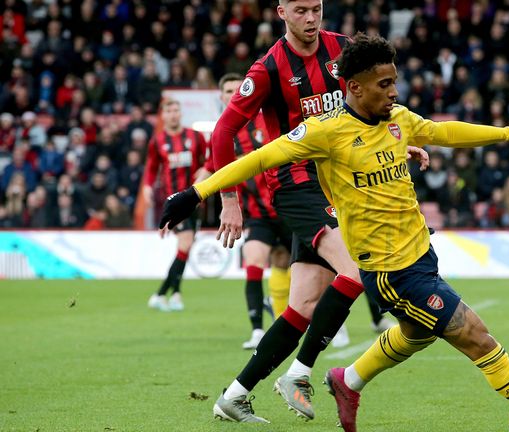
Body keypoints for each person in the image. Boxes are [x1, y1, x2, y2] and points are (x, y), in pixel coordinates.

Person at [158, 33, 509, 432]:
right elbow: (259, 158)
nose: (394, 91)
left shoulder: (397, 119)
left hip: (421, 254)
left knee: (417, 334)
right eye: (384, 84)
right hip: (391, 272)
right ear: (354, 88)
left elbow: (443, 132)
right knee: (477, 336)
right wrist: (197, 193)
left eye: (394, 81)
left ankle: (348, 379)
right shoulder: (325, 133)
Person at [201, 0, 408, 423]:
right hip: (296, 184)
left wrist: (400, 140)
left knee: (304, 306)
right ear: (281, 13)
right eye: (301, 11)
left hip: (336, 183)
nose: (311, 19)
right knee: (355, 271)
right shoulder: (268, 68)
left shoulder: (344, 50)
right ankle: (299, 372)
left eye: (316, 9)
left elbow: (370, 105)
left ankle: (234, 396)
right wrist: (229, 199)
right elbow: (223, 132)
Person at [206, 73, 293, 350]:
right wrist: (187, 196)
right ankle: (257, 329)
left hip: (289, 206)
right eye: (227, 89)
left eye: (236, 88)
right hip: (258, 215)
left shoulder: (266, 121)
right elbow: (209, 170)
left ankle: (298, 319)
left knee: (290, 264)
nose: (233, 93)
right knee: (254, 262)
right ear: (221, 96)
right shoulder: (225, 135)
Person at [144, 99, 207, 312]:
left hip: (195, 200)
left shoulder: (195, 137)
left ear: (180, 113)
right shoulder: (158, 141)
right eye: (169, 111)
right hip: (173, 202)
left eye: (176, 110)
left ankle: (173, 294)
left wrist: (205, 170)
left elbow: (207, 160)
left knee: (185, 248)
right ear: (163, 115)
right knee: (185, 242)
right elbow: (152, 167)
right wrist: (146, 186)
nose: (173, 114)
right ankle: (162, 293)